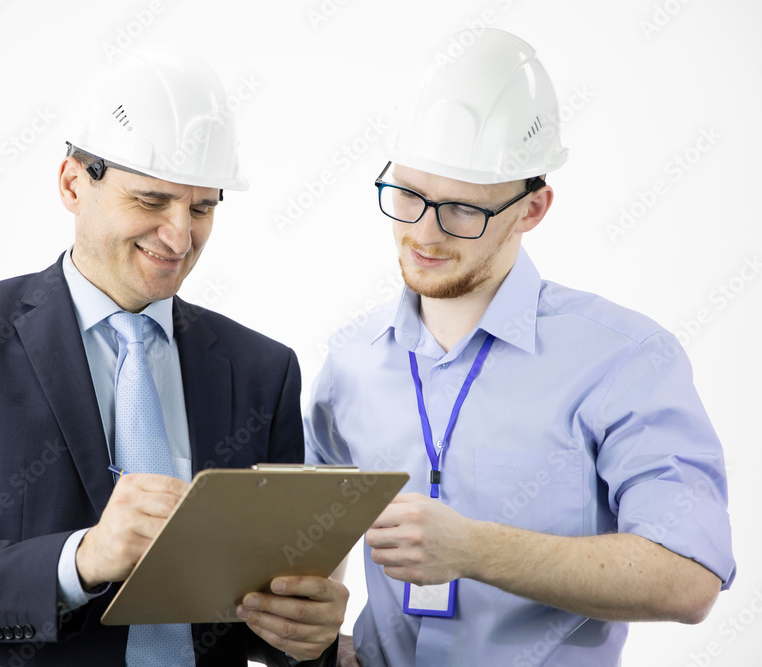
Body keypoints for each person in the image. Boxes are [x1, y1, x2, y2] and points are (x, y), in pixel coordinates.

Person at [0, 49, 346, 667]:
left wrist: (305, 634)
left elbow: (257, 616)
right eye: (152, 201)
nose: (180, 236)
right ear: (73, 183)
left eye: (202, 207)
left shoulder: (262, 370)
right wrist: (81, 559)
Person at [305, 29, 734, 666]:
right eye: (408, 196)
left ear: (532, 209)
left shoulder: (626, 358)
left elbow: (689, 576)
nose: (424, 233)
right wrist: (317, 644)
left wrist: (475, 550)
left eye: (460, 210)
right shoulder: (350, 363)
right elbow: (313, 549)